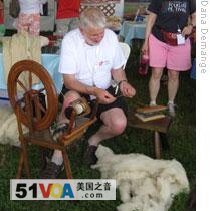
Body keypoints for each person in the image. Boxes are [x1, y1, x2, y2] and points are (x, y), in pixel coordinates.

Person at [40, 7, 136, 179]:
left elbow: (117, 70)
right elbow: (69, 81)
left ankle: (93, 141)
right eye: (94, 35)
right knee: (71, 103)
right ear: (82, 30)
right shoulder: (70, 41)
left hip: (104, 90)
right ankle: (56, 158)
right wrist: (93, 90)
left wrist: (123, 83)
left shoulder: (111, 38)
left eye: (101, 33)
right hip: (79, 90)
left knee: (119, 124)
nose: (99, 37)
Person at [141, 0, 196, 117]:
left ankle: (171, 102)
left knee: (174, 74)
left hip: (180, 40)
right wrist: (145, 41)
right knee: (156, 72)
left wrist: (191, 26)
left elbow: (195, 16)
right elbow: (151, 19)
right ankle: (153, 103)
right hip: (158, 38)